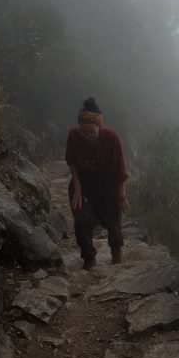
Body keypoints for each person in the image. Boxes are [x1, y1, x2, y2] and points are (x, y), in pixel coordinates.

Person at [64, 97, 130, 270]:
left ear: (99, 127)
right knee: (81, 220)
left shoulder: (111, 137)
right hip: (83, 185)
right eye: (83, 132)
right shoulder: (73, 135)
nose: (86, 137)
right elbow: (71, 162)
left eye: (91, 132)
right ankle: (88, 258)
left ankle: (116, 252)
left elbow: (120, 170)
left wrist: (121, 196)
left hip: (107, 185)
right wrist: (77, 188)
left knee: (114, 221)